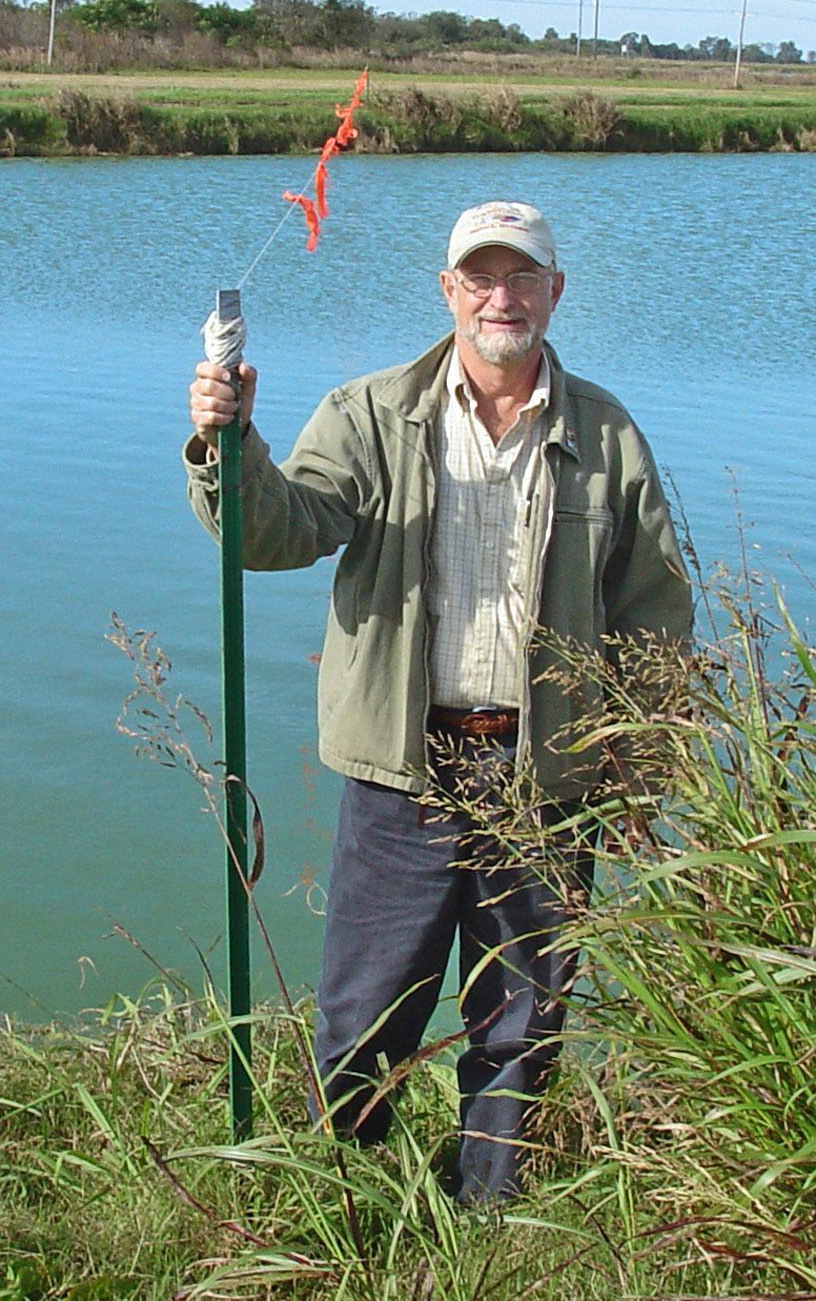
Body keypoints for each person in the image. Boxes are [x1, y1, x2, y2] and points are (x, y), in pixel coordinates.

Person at [185, 199, 693, 1201]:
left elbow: (655, 614)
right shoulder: (370, 412)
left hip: (548, 778)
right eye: (481, 277)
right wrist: (230, 446)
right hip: (403, 768)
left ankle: (488, 1211)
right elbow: (277, 532)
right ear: (448, 290)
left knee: (523, 1015)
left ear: (555, 291)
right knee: (365, 1008)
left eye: (522, 277)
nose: (501, 297)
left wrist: (643, 767)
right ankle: (352, 1190)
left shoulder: (607, 432)